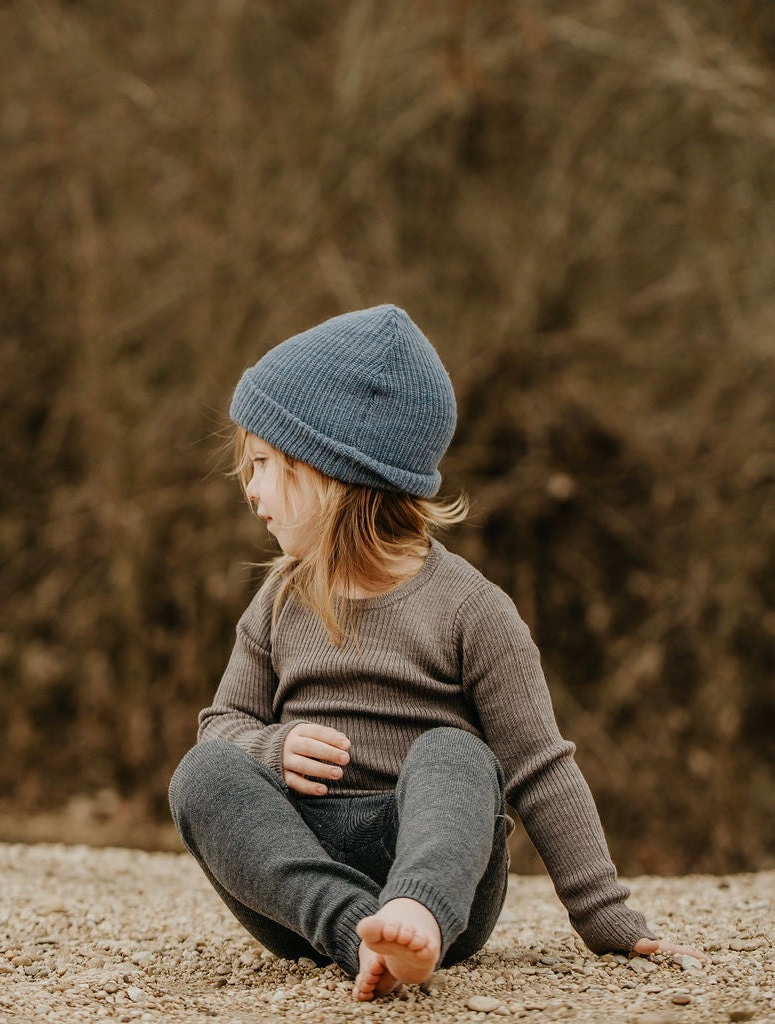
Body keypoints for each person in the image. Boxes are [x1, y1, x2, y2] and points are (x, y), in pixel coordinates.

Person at [168, 304, 704, 1001]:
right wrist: (270, 748)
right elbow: (222, 725)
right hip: (306, 881)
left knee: (456, 754)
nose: (250, 488)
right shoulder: (278, 602)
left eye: (265, 464)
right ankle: (359, 930)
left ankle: (413, 918)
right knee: (202, 772)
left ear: (333, 473)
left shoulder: (471, 610)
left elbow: (539, 768)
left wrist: (606, 915)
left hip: (441, 879)